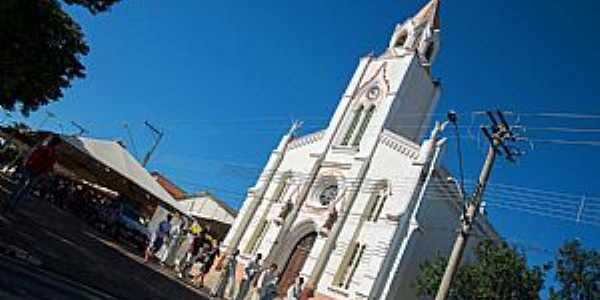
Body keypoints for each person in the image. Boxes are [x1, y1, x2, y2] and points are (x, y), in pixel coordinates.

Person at [4, 135, 59, 212]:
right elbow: (48, 165)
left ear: (52, 141)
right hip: (34, 170)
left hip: (32, 169)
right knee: (24, 189)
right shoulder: (50, 151)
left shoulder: (46, 149)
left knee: (21, 186)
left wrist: (27, 164)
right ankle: (13, 204)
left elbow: (33, 156)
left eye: (51, 140)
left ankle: (11, 203)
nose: (49, 141)